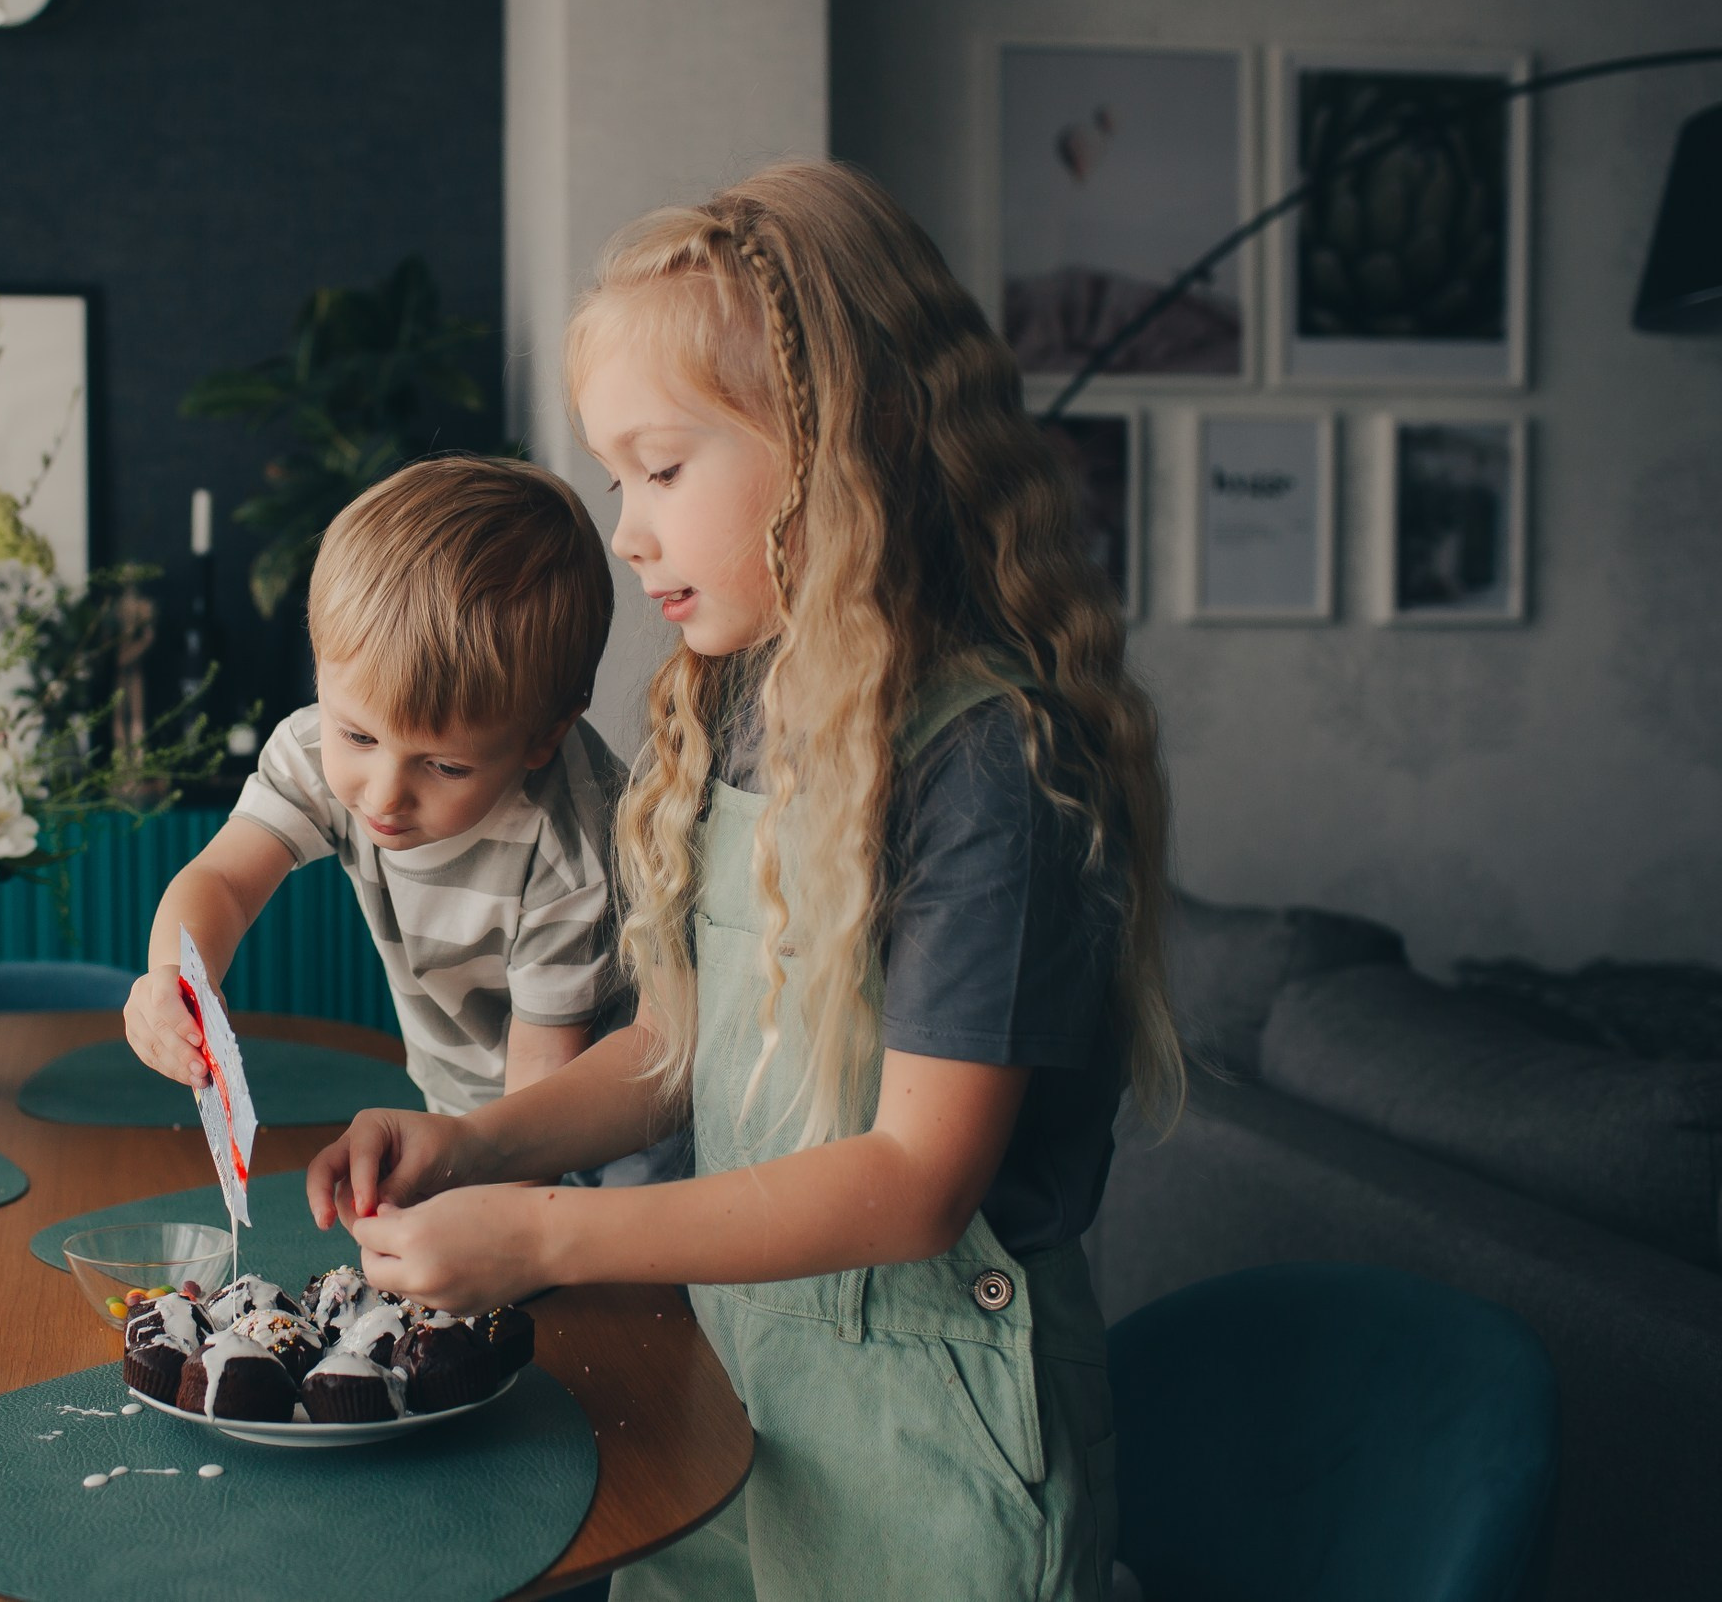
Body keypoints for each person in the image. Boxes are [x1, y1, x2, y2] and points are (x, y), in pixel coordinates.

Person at [304, 161, 1183, 1602]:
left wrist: (541, 1230)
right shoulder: (736, 698)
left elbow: (912, 1182)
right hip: (739, 1385)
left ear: (842, 443)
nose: (628, 530)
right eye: (615, 479)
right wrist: (480, 1145)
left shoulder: (991, 759)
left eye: (661, 468)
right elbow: (674, 1049)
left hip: (934, 1449)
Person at [123, 454, 633, 1121]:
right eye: (358, 736)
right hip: (465, 1111)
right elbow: (221, 880)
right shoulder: (316, 748)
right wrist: (174, 975)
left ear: (544, 736)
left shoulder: (572, 852)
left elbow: (542, 1101)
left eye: (445, 766)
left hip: (601, 1138)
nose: (384, 795)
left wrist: (471, 1203)